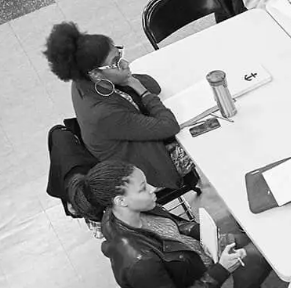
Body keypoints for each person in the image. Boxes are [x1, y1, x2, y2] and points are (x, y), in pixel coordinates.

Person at [72, 160, 270, 288]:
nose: (152, 189)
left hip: (202, 256)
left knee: (258, 234)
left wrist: (203, 232)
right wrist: (222, 269)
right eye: (142, 188)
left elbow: (176, 226)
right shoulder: (138, 261)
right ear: (120, 201)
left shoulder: (130, 212)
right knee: (268, 250)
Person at [44, 22, 191, 192]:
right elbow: (169, 126)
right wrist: (140, 89)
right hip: (149, 170)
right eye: (115, 62)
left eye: (119, 54)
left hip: (139, 144)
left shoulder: (85, 79)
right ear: (96, 74)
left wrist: (128, 79)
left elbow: (154, 86)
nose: (125, 63)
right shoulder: (103, 114)